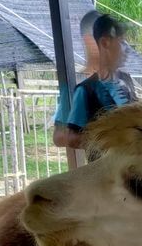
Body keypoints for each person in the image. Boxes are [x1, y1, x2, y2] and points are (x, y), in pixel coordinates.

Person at [58, 14, 137, 150]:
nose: (127, 50)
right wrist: (110, 139)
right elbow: (72, 138)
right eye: (122, 42)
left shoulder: (126, 80)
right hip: (104, 168)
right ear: (105, 43)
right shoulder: (85, 90)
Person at [52, 10, 100, 148]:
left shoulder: (122, 80)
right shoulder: (75, 85)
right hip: (98, 166)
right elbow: (59, 136)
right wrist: (104, 138)